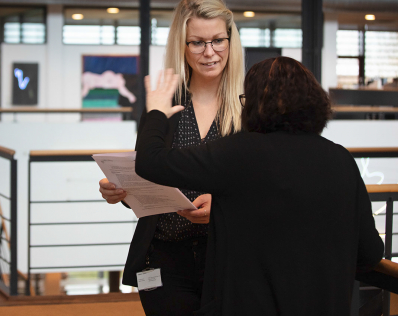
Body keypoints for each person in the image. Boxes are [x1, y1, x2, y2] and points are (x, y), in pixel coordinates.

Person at [135, 58, 384, 315]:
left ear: (255, 104)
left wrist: (156, 112)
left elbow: (150, 162)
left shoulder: (240, 152)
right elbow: (370, 253)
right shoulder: (341, 159)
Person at [99, 0, 244, 315]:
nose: (209, 52)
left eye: (218, 40)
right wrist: (121, 191)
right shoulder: (163, 102)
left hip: (228, 257)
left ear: (231, 41)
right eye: (197, 43)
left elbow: (263, 185)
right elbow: (145, 173)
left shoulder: (248, 106)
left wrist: (222, 207)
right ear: (182, 45)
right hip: (162, 257)